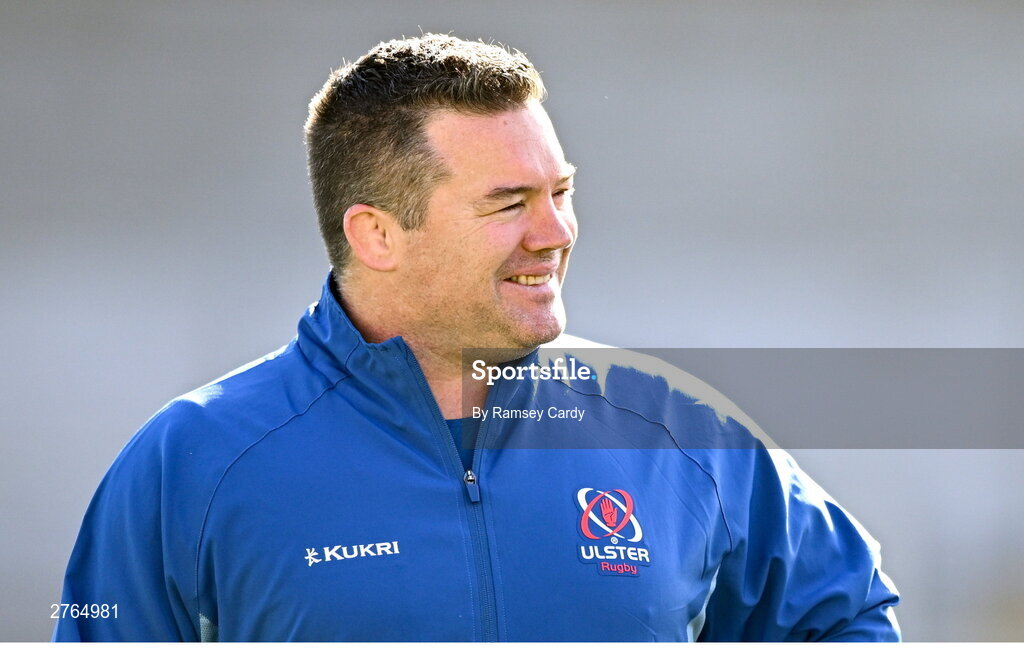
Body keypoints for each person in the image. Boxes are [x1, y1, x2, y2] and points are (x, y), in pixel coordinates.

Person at [53, 34, 900, 641]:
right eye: (509, 204)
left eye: (560, 191)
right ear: (377, 234)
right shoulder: (188, 463)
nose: (555, 231)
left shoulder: (674, 429)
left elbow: (845, 613)